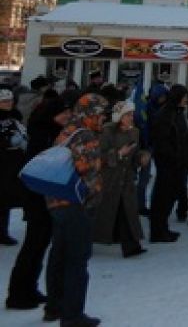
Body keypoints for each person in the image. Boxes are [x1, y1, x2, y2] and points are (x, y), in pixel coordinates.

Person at [44, 93, 108, 327]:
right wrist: (96, 193)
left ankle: (54, 306)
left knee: (58, 255)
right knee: (77, 260)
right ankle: (72, 315)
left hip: (56, 200)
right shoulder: (86, 136)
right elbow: (88, 172)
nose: (103, 117)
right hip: (76, 203)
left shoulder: (66, 131)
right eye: (100, 113)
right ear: (91, 113)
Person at [6, 94, 70, 310]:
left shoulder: (51, 131)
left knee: (40, 244)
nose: (67, 117)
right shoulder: (41, 133)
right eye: (64, 113)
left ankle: (30, 287)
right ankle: (17, 293)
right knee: (33, 245)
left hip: (47, 195)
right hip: (36, 196)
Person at [92, 101, 146, 258]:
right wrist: (118, 154)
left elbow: (135, 153)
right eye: (128, 115)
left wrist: (140, 158)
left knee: (127, 211)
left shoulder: (134, 131)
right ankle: (90, 239)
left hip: (126, 178)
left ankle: (132, 245)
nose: (131, 117)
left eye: (132, 114)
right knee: (104, 210)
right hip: (109, 179)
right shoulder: (107, 131)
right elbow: (98, 156)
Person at [148, 84, 188, 243]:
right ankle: (157, 231)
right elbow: (162, 140)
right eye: (184, 96)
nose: (187, 99)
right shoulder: (165, 114)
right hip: (168, 162)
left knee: (171, 196)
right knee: (162, 196)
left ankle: (163, 227)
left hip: (177, 162)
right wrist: (173, 156)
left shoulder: (177, 113)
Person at [0, 88, 28, 246]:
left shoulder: (14, 117)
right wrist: (7, 142)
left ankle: (3, 232)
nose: (8, 104)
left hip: (12, 163)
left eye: (10, 100)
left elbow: (22, 132)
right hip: (3, 161)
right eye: (4, 101)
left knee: (5, 199)